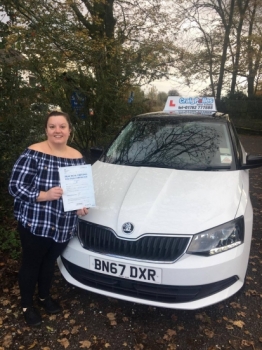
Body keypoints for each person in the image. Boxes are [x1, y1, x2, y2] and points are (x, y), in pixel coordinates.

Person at [8, 110, 88, 327]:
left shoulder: (77, 157)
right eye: (52, 126)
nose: (57, 131)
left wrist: (81, 205)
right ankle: (27, 305)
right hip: (36, 222)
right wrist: (44, 195)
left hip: (63, 224)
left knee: (49, 262)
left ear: (69, 130)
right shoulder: (33, 153)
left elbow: (79, 190)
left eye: (62, 126)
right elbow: (15, 187)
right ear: (46, 130)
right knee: (32, 264)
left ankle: (43, 297)